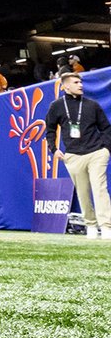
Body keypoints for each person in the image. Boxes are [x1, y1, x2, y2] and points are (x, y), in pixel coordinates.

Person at [46, 71, 111, 239]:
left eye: (80, 82)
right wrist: (54, 149)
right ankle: (90, 225)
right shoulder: (56, 106)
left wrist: (106, 149)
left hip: (97, 153)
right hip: (73, 156)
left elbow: (106, 128)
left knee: (100, 189)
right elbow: (50, 130)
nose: (80, 85)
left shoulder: (92, 105)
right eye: (76, 82)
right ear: (65, 86)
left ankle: (106, 226)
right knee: (83, 192)